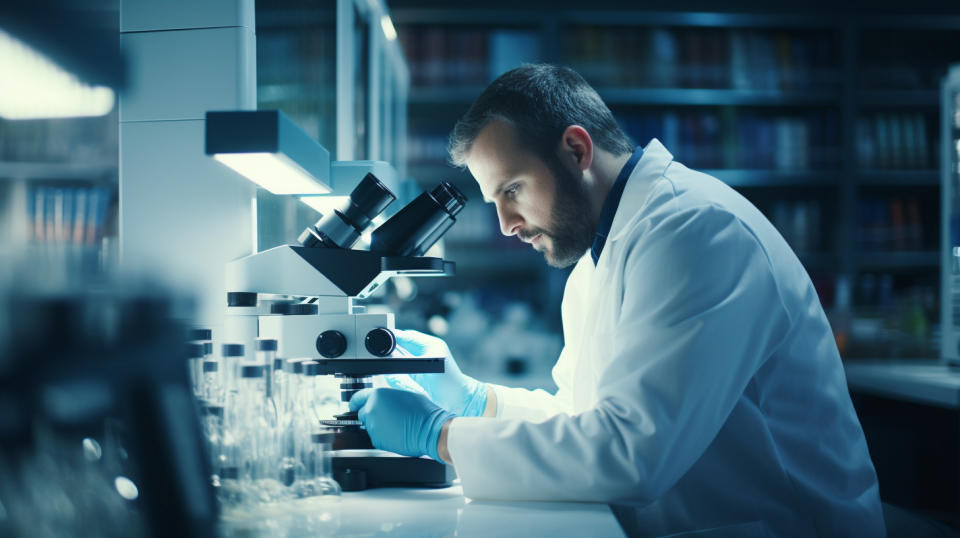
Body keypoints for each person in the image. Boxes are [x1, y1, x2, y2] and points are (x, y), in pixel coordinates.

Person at [348, 64, 885, 537]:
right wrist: (478, 403)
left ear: (576, 151)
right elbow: (586, 418)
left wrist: (440, 435)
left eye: (512, 189)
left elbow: (630, 453)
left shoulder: (696, 231)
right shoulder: (600, 255)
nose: (507, 225)